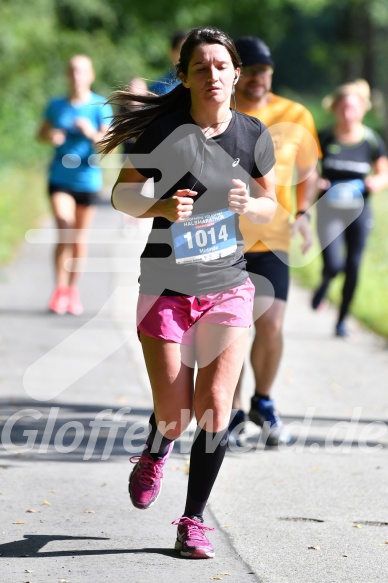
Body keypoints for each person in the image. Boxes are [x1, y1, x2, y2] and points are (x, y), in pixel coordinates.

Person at [99, 26, 277, 559]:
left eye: (222, 66)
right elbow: (122, 194)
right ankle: (155, 451)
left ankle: (192, 520)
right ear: (184, 77)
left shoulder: (252, 134)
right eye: (201, 67)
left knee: (216, 406)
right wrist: (158, 208)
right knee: (174, 415)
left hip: (227, 285)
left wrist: (251, 207)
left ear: (236, 74)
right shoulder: (164, 131)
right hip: (165, 287)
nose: (213, 75)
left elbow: (272, 207)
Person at [228, 36, 321, 446]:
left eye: (262, 71)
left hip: (273, 238)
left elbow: (309, 171)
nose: (256, 79)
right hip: (221, 240)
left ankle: (262, 402)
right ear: (235, 74)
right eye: (248, 71)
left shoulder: (295, 113)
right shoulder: (219, 113)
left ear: (270, 73)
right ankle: (228, 413)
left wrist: (302, 214)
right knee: (229, 330)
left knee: (270, 325)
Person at [312, 79, 388, 337]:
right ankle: (325, 281)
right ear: (334, 109)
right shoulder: (324, 136)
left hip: (359, 210)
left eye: (352, 108)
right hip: (329, 209)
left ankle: (341, 320)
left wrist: (373, 183)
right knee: (335, 264)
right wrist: (317, 181)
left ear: (362, 110)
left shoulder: (371, 139)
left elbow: (383, 173)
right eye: (342, 108)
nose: (347, 113)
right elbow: (308, 169)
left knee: (354, 265)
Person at [37, 55, 113, 315]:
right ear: (67, 75)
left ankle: (71, 291)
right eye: (72, 71)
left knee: (78, 239)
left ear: (90, 75)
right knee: (64, 225)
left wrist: (90, 131)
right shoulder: (57, 105)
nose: (76, 75)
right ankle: (58, 290)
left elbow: (107, 144)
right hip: (60, 177)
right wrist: (51, 136)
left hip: (88, 179)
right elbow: (41, 134)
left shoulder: (99, 105)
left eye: (81, 71)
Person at [149, 30, 188, 95]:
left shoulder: (199, 83)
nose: (186, 56)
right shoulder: (158, 86)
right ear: (172, 52)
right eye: (182, 51)